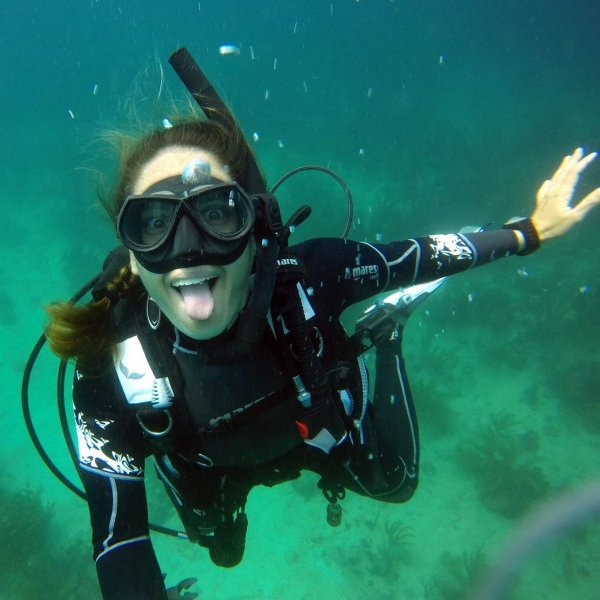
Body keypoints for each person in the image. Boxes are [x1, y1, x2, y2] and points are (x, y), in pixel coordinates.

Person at [44, 86, 599, 599]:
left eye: (217, 214)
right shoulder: (109, 369)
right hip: (205, 465)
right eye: (155, 225)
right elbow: (118, 539)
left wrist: (530, 231)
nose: (190, 251)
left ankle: (388, 335)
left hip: (315, 425)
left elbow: (418, 256)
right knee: (222, 548)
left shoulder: (311, 277)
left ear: (256, 225)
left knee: (396, 484)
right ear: (132, 258)